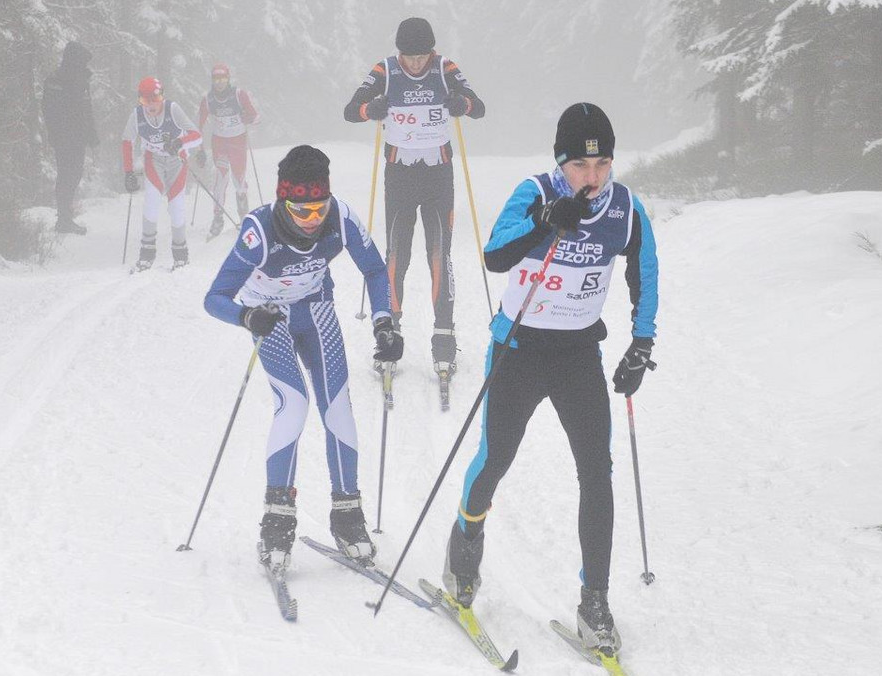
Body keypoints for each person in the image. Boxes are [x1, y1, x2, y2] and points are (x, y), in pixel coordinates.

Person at [440, 103, 659, 656]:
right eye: (580, 166)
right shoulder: (534, 192)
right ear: (560, 163)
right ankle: (464, 551)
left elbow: (644, 274)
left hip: (577, 355)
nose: (592, 177)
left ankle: (595, 600)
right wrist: (545, 221)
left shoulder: (626, 209)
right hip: (518, 349)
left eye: (602, 164)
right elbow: (493, 255)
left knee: (597, 471)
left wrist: (642, 343)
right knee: (495, 459)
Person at [203, 145, 404, 572]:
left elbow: (374, 268)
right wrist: (246, 316)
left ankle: (347, 515)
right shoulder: (259, 231)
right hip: (270, 316)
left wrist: (385, 322)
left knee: (339, 406)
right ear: (282, 200)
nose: (313, 221)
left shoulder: (342, 218)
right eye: (301, 211)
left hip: (315, 310)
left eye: (319, 209)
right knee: (293, 406)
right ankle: (277, 520)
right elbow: (213, 298)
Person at [342, 17, 485, 378]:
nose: (417, 63)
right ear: (399, 52)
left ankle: (444, 338)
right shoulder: (385, 70)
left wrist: (461, 104)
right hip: (400, 173)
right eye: (410, 56)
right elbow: (350, 111)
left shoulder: (444, 67)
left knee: (439, 254)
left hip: (438, 173)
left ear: (432, 52)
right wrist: (369, 110)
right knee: (396, 255)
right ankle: (390, 336)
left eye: (423, 56)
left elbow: (478, 105)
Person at [121, 76, 202, 271]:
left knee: (176, 206)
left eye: (155, 100)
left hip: (177, 161)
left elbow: (197, 136)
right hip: (154, 160)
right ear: (140, 100)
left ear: (162, 97)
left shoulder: (172, 109)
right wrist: (129, 172)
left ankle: (180, 253)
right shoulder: (137, 115)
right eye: (145, 101)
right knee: (151, 200)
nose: (151, 106)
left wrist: (179, 142)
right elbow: (127, 141)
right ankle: (147, 254)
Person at [195, 63, 260, 238]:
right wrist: (200, 150)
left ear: (228, 78)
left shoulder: (239, 94)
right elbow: (198, 126)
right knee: (220, 179)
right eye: (216, 79)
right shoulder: (208, 100)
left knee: (239, 181)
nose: (219, 83)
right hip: (220, 144)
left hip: (238, 142)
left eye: (222, 79)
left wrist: (248, 117)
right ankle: (217, 219)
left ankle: (244, 216)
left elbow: (255, 116)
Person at [41, 41, 99, 235]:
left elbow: (86, 108)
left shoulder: (79, 79)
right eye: (82, 60)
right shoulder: (56, 80)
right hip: (65, 137)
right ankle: (64, 219)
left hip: (77, 136)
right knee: (67, 175)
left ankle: (65, 217)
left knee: (73, 175)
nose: (85, 64)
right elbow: (50, 110)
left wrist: (92, 135)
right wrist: (57, 133)